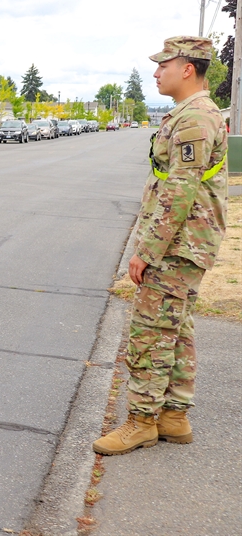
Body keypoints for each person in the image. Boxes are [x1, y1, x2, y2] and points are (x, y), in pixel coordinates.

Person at [93, 36, 228, 455]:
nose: (156, 72)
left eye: (163, 65)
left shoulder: (194, 118)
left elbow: (180, 191)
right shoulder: (194, 113)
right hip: (187, 242)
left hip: (177, 245)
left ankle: (141, 422)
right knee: (176, 329)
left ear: (187, 68)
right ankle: (174, 416)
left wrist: (146, 251)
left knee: (150, 332)